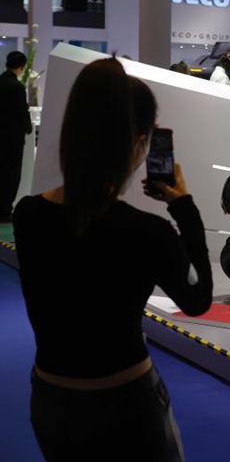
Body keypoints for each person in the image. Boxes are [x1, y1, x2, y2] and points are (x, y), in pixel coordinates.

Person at [13, 57, 213, 461]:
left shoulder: (28, 215)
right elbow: (197, 299)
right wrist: (185, 207)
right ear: (137, 142)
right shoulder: (146, 233)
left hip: (51, 400)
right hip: (128, 405)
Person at [0, 51, 33, 223]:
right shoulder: (17, 87)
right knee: (12, 174)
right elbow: (22, 111)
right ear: (21, 66)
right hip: (13, 137)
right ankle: (5, 210)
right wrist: (28, 128)